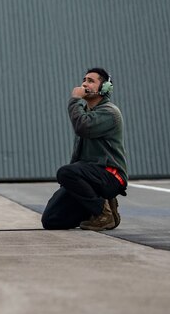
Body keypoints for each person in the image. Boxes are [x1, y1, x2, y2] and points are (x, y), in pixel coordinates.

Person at [41, 67, 127, 231]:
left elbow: (82, 127)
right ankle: (98, 207)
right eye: (84, 80)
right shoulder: (85, 112)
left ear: (104, 88)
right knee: (52, 220)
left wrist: (74, 100)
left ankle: (104, 213)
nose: (84, 84)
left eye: (91, 81)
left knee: (65, 172)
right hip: (87, 176)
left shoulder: (109, 113)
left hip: (109, 175)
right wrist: (71, 187)